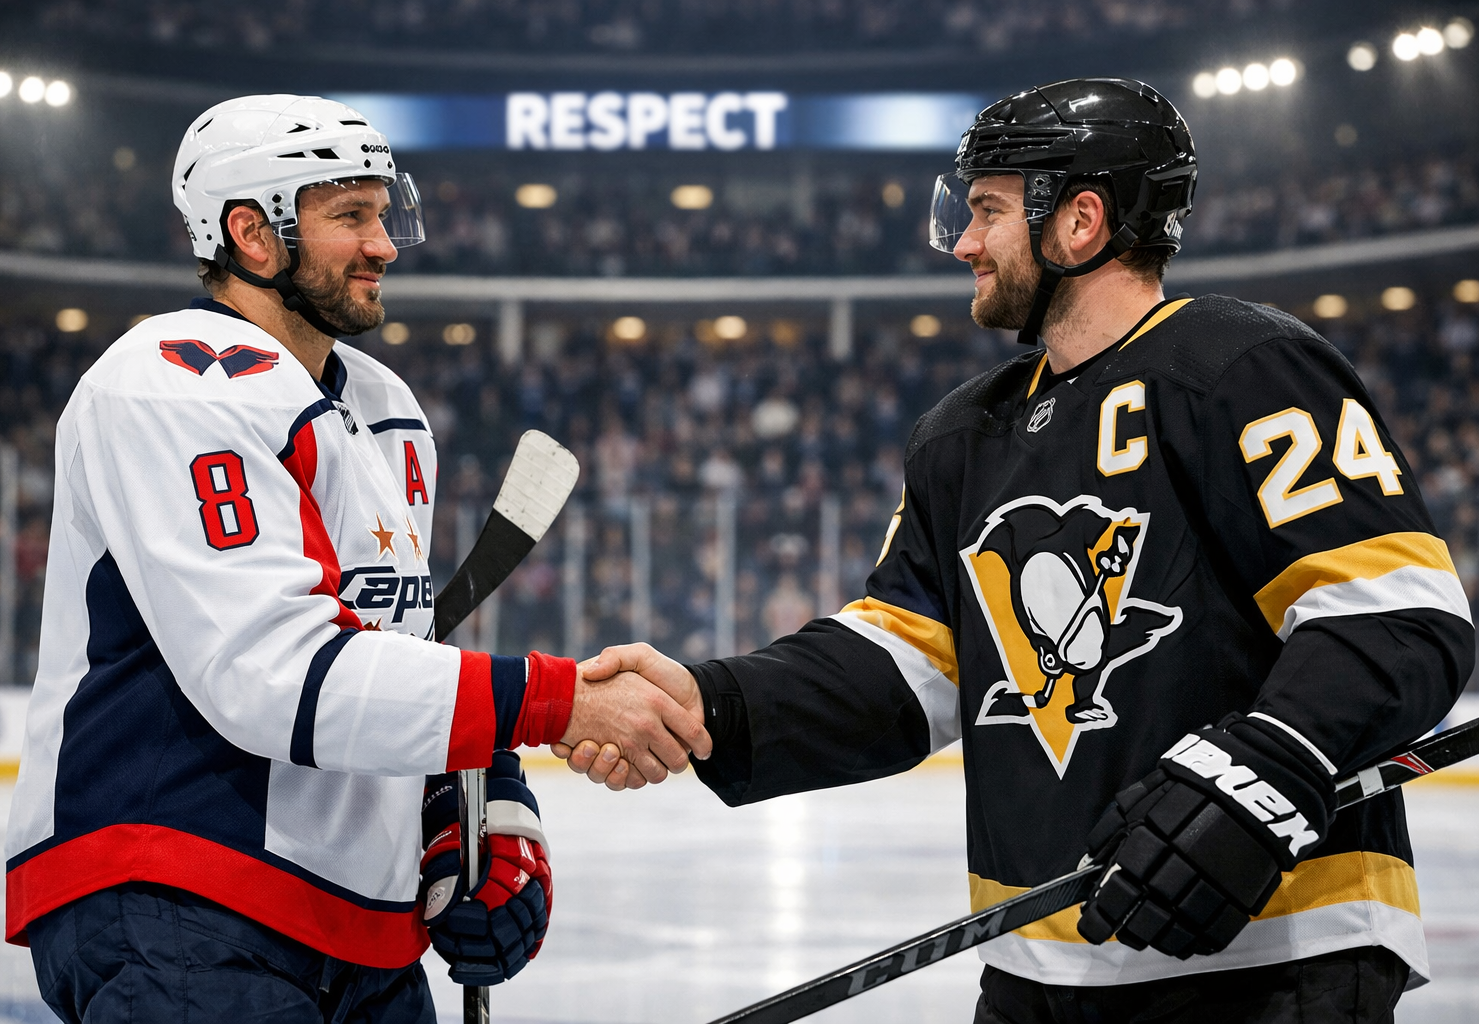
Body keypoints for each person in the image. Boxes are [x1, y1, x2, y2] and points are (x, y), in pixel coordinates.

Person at [560, 78, 1474, 1022]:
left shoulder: (1241, 369)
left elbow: (1397, 618)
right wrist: (708, 703)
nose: (964, 242)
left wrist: (1261, 768)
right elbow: (903, 668)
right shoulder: (965, 436)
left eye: (989, 210)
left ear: (1080, 221)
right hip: (1037, 969)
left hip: (1271, 958)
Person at [4, 94, 707, 1024]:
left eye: (384, 213)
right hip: (183, 894)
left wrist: (479, 799)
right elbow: (272, 671)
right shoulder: (175, 381)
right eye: (350, 216)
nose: (384, 245)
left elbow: (391, 648)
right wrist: (558, 701)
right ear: (252, 234)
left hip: (359, 921)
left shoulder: (384, 406)